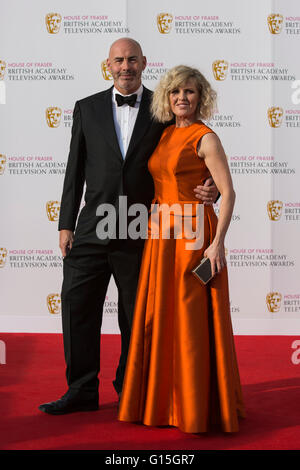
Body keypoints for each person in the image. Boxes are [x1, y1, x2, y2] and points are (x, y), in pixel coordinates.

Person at [38, 39, 218, 415]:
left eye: (132, 60)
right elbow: (74, 170)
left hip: (143, 230)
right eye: (119, 60)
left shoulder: (164, 107)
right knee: (77, 308)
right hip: (91, 228)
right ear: (108, 65)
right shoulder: (86, 108)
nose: (126, 66)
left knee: (136, 315)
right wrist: (65, 224)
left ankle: (131, 388)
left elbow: (190, 149)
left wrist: (212, 186)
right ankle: (82, 390)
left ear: (144, 63)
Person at [118, 65, 245, 433]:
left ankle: (194, 406)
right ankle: (163, 401)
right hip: (161, 236)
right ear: (166, 98)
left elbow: (228, 192)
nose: (181, 98)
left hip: (193, 237)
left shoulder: (206, 137)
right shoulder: (164, 134)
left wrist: (217, 244)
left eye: (189, 92)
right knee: (161, 318)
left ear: (200, 97)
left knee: (190, 322)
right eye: (175, 92)